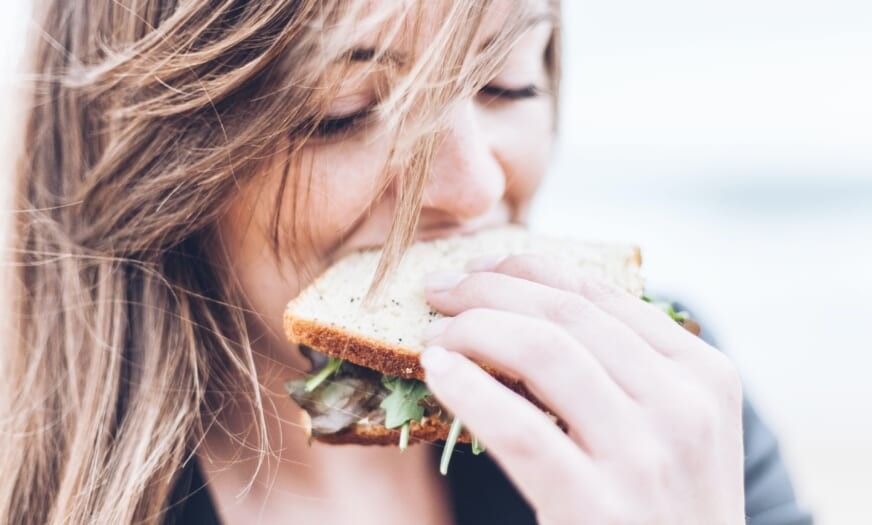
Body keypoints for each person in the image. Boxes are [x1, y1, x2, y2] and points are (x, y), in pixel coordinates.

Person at [1, 1, 812, 523]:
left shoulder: (668, 411)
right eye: (342, 113)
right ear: (155, 162)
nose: (475, 184)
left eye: (507, 85)